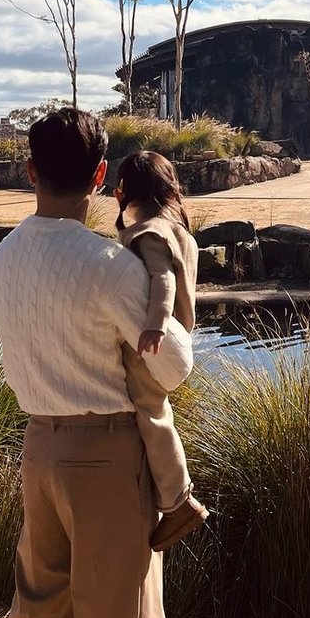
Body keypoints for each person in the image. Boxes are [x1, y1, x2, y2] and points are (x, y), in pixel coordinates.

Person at [0, 108, 189, 618]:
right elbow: (175, 367)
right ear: (101, 176)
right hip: (106, 457)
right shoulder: (108, 265)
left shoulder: (5, 257)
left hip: (39, 448)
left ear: (30, 171)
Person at [115, 150, 208, 551]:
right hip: (177, 339)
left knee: (151, 412)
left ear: (124, 192)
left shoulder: (149, 232)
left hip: (156, 342)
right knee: (154, 410)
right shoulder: (179, 231)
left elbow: (162, 281)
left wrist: (153, 324)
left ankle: (178, 501)